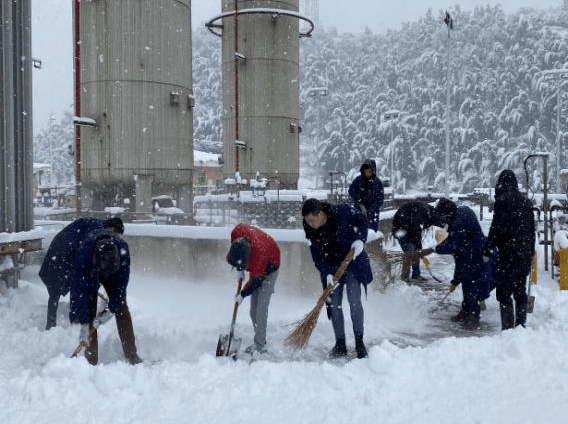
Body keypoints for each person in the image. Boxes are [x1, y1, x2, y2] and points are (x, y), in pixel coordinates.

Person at [302, 198, 373, 359]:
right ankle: (340, 344)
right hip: (331, 269)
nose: (311, 224)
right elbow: (317, 256)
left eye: (313, 220)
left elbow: (362, 220)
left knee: (354, 301)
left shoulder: (341, 212)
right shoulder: (310, 229)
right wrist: (326, 272)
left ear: (320, 213)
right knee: (334, 305)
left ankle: (359, 342)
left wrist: (360, 240)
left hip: (352, 262)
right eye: (308, 221)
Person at [69, 220, 142, 365]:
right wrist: (83, 317)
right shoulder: (85, 252)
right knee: (88, 314)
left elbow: (120, 286)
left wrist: (112, 307)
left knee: (121, 307)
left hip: (114, 273)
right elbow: (78, 290)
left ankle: (131, 354)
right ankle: (91, 359)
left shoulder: (122, 251)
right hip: (90, 274)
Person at [40, 217, 120, 329]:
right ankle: (51, 325)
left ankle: (73, 319)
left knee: (66, 286)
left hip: (67, 251)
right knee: (56, 288)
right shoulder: (97, 229)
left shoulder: (99, 229)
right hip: (62, 252)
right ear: (113, 228)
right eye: (116, 234)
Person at [483, 169, 535, 330]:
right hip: (523, 254)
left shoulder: (502, 201)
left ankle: (507, 329)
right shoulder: (526, 202)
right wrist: (531, 252)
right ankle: (521, 326)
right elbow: (531, 231)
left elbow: (496, 228)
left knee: (504, 293)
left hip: (507, 254)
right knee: (520, 291)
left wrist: (488, 249)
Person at [434, 198, 492, 329]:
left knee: (472, 287)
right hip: (474, 254)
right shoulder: (461, 213)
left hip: (477, 256)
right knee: (468, 286)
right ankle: (465, 312)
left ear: (447, 213)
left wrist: (435, 249)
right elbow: (459, 265)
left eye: (443, 217)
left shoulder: (458, 224)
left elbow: (454, 247)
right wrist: (455, 281)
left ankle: (473, 317)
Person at [226, 223, 280, 354]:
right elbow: (238, 252)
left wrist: (242, 294)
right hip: (257, 255)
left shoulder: (259, 257)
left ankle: (260, 345)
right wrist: (239, 269)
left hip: (271, 264)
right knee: (252, 311)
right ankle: (261, 338)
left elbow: (255, 282)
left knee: (259, 309)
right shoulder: (236, 233)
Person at [391, 201, 440, 282]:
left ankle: (416, 275)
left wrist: (418, 246)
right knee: (409, 252)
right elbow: (413, 228)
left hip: (408, 229)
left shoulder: (425, 212)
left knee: (416, 252)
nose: (426, 226)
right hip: (401, 230)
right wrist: (416, 244)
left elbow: (417, 229)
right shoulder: (422, 212)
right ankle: (405, 275)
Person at [348, 159, 384, 232]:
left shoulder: (377, 183)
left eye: (369, 171)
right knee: (359, 232)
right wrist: (358, 200)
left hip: (373, 214)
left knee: (371, 233)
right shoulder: (358, 180)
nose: (367, 173)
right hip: (359, 211)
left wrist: (372, 209)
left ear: (373, 171)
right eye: (365, 171)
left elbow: (380, 199)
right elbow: (351, 191)